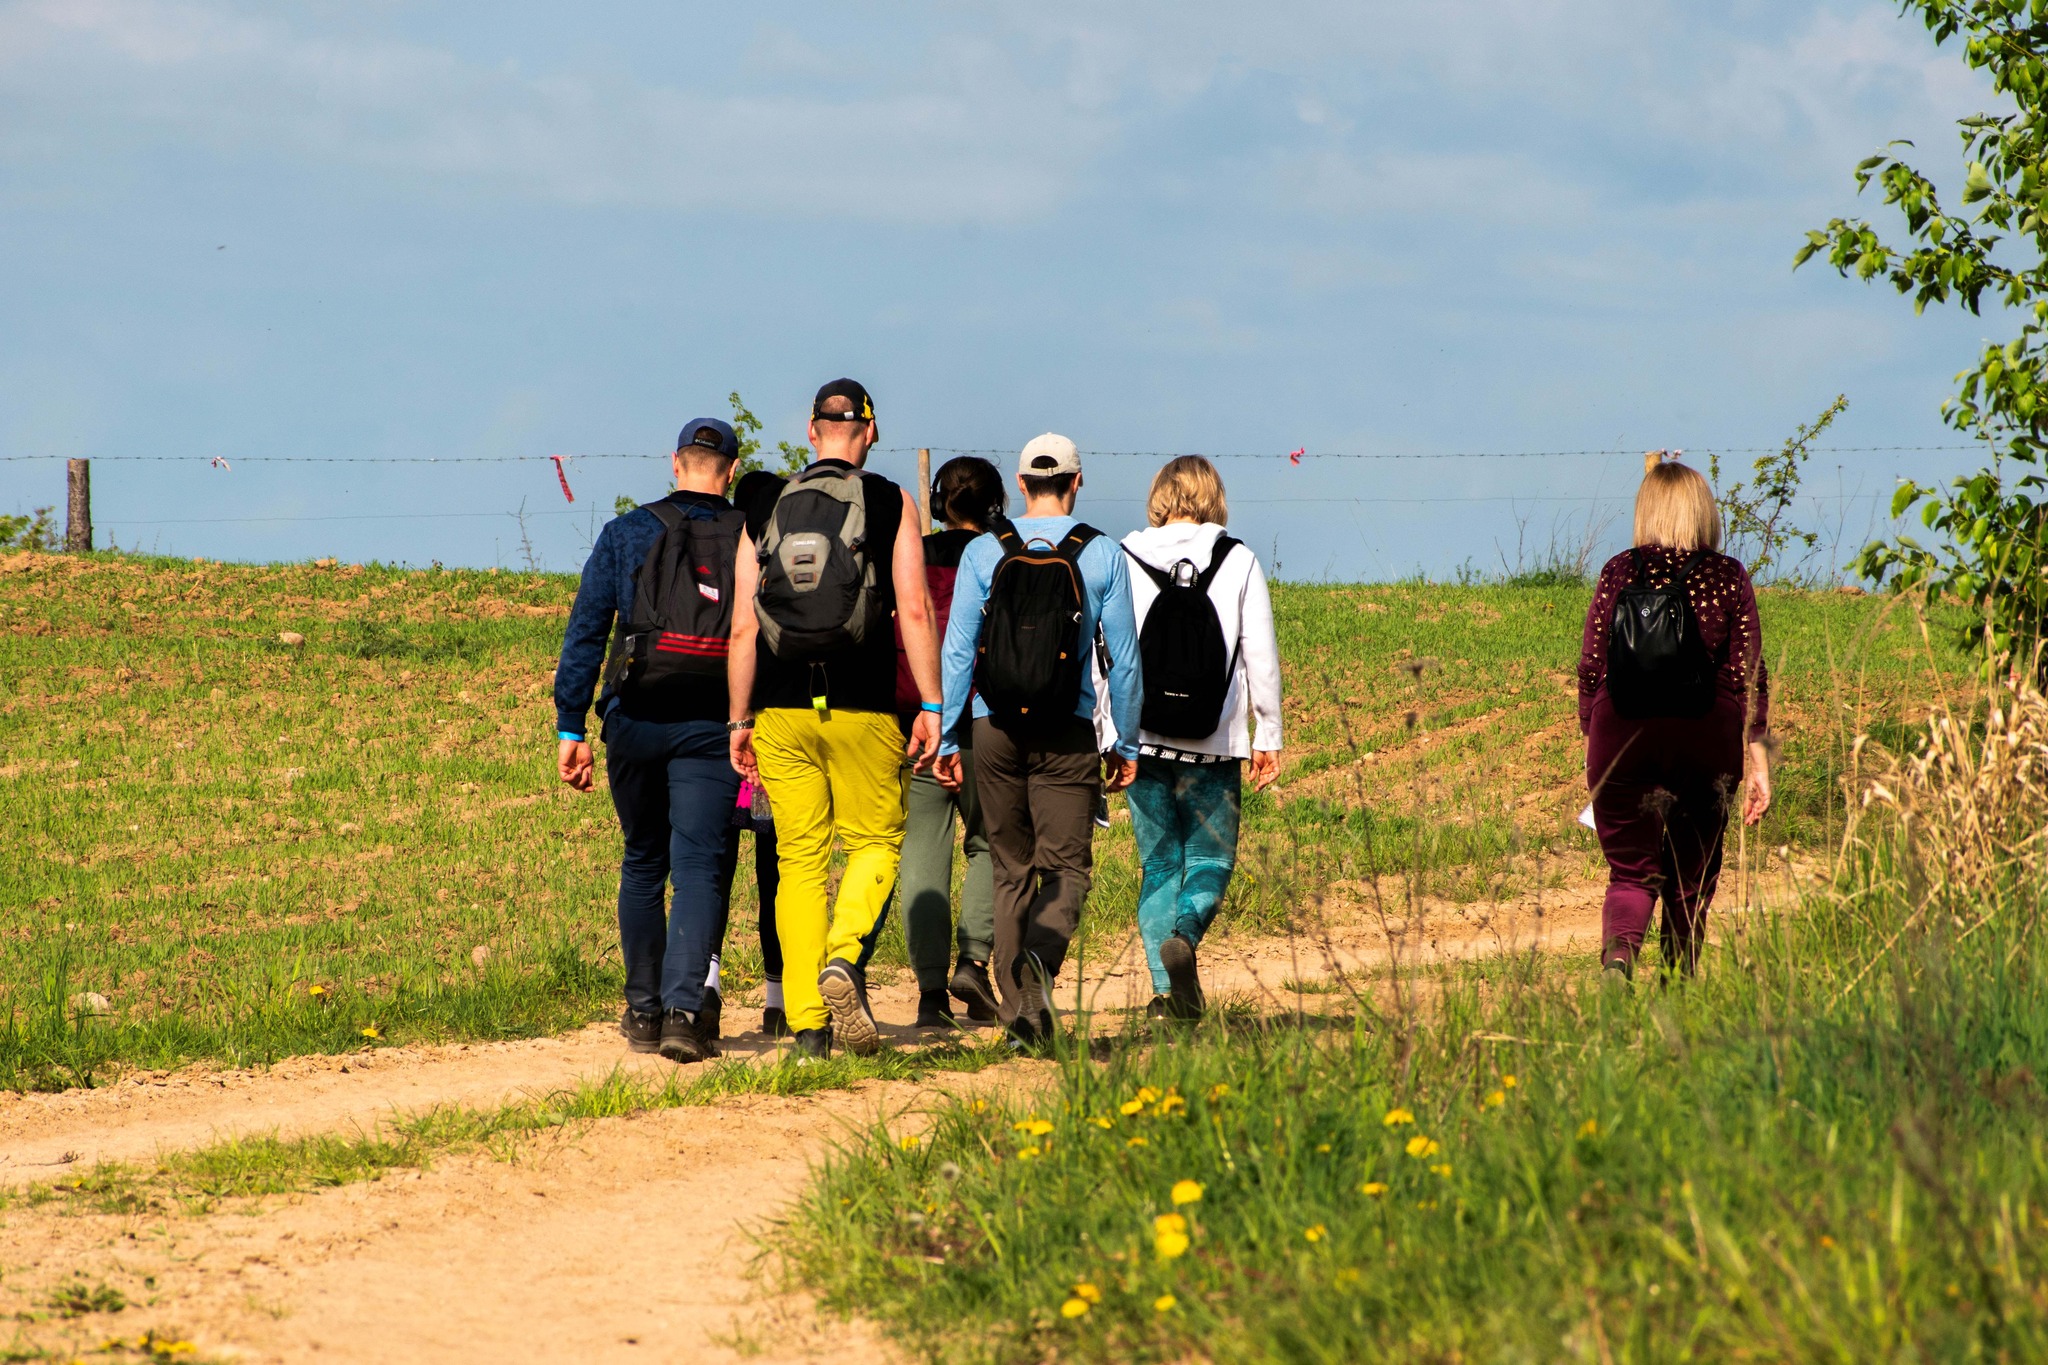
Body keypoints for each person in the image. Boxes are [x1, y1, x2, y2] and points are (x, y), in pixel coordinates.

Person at [727, 379, 944, 1059]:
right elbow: (912, 608)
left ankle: (808, 1026)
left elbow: (741, 625)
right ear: (870, 433)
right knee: (875, 842)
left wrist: (739, 719)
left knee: (797, 862)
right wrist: (933, 704)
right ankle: (845, 956)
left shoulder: (762, 500)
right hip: (865, 703)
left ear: (812, 430)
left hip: (782, 708)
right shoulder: (888, 500)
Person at [935, 433, 1142, 1049]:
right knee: (1068, 869)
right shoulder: (1101, 553)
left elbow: (956, 650)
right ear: (1077, 483)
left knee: (1009, 871)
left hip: (991, 726)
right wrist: (1125, 744)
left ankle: (1020, 1013)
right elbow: (1125, 661)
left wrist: (948, 733)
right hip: (1067, 729)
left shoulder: (982, 550)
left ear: (1021, 485)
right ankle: (1039, 966)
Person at [554, 417, 748, 1064]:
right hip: (711, 721)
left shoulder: (627, 532)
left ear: (675, 463)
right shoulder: (750, 535)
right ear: (731, 471)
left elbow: (586, 629)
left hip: (634, 716)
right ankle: (685, 1012)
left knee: (643, 859)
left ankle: (641, 1009)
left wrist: (571, 724)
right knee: (698, 864)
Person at [1577, 452, 1773, 982]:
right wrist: (1759, 760)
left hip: (1621, 732)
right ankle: (1676, 990)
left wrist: (1592, 737)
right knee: (1689, 878)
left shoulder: (1618, 569)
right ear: (1703, 511)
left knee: (1631, 873)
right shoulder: (1727, 576)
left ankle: (1619, 959)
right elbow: (1748, 674)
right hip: (1704, 735)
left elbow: (1593, 667)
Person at [1119, 456, 1283, 1020]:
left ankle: (1166, 994)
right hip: (1215, 742)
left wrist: (1109, 734)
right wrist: (1270, 732)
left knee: (1159, 864)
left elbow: (1107, 652)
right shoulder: (1238, 559)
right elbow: (1259, 654)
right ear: (1213, 496)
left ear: (1160, 495)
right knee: (1210, 860)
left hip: (1141, 737)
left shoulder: (1126, 555)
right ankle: (1185, 937)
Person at [895, 457, 1004, 1028]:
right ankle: (974, 961)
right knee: (988, 844)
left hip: (917, 721)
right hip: (985, 725)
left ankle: (930, 995)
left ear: (939, 503)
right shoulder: (1004, 556)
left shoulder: (913, 553)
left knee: (922, 854)